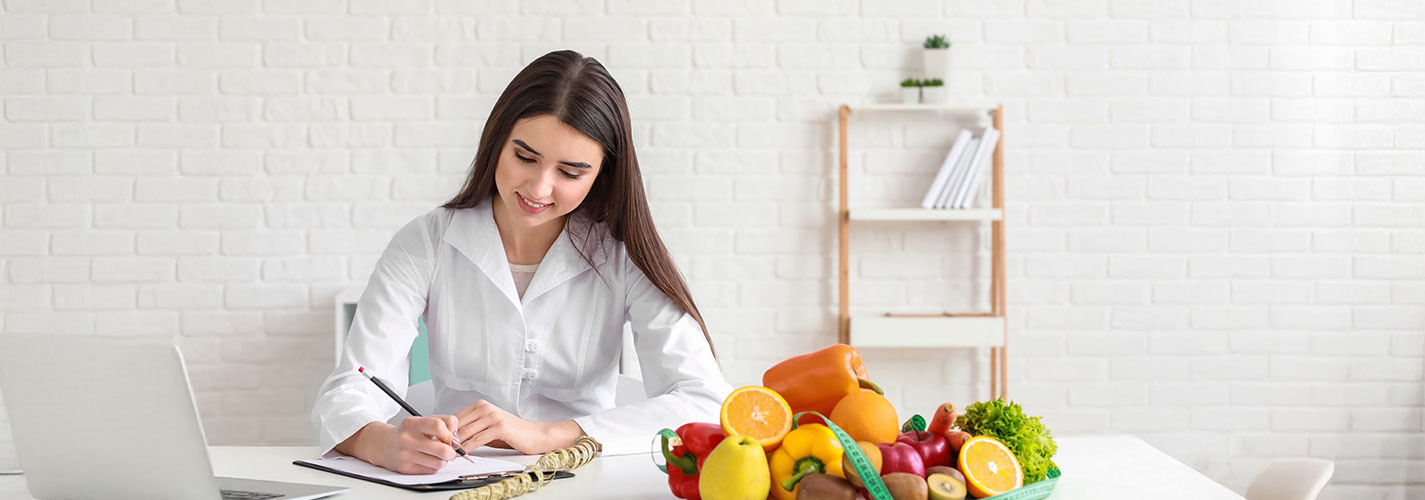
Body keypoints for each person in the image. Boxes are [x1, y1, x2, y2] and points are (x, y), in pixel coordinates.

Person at [310, 50, 732, 475]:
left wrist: (546, 435)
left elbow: (706, 402)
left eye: (570, 173)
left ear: (602, 175)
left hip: (585, 480)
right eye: (525, 157)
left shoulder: (623, 257)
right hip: (454, 477)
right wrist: (380, 441)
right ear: (497, 142)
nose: (538, 187)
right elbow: (352, 385)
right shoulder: (427, 242)